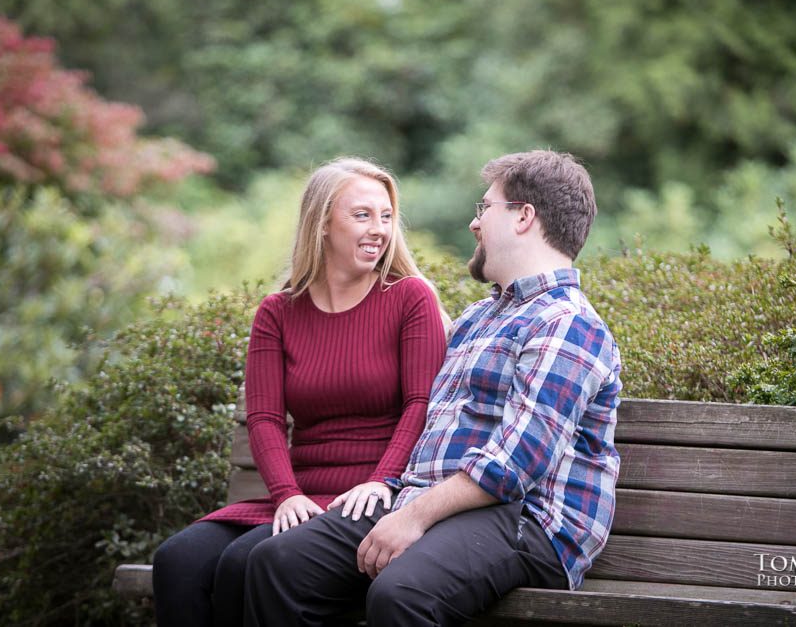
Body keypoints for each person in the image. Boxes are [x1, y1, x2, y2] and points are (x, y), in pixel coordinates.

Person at [244, 150, 622, 626]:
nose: (474, 223)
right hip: (436, 502)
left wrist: (413, 516)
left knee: (400, 594)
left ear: (524, 217)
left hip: (529, 520)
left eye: (485, 208)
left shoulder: (566, 324)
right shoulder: (478, 318)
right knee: (276, 563)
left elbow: (513, 467)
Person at [152, 157, 447, 627]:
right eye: (362, 215)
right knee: (177, 561)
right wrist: (286, 494)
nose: (379, 230)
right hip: (300, 498)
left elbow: (422, 404)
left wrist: (381, 479)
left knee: (243, 563)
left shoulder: (409, 298)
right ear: (322, 223)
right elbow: (264, 417)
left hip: (372, 497)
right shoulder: (278, 311)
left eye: (386, 216)